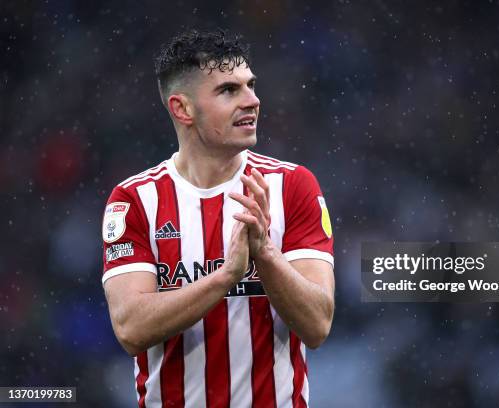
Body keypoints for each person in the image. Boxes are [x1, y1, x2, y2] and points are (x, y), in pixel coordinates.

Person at [101, 29, 335, 407]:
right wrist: (227, 276)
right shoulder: (134, 200)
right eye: (229, 90)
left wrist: (266, 254)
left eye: (251, 86)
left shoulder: (293, 185)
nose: (253, 101)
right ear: (183, 108)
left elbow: (318, 325)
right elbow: (131, 328)